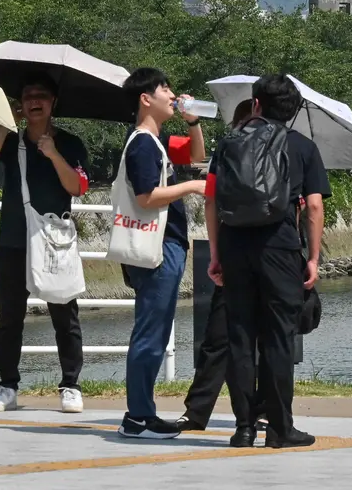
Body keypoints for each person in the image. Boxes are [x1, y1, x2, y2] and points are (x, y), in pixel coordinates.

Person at [206, 75, 331, 449]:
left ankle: (243, 428)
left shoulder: (228, 143)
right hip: (279, 246)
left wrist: (216, 255)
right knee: (278, 338)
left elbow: (211, 201)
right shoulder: (303, 147)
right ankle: (279, 429)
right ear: (293, 112)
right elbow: (313, 206)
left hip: (234, 244)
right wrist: (312, 257)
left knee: (240, 335)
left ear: (255, 104)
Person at [0, 72, 91, 414]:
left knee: (64, 315)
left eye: (41, 96)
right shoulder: (11, 141)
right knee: (9, 316)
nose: (34, 102)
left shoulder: (70, 144)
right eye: (28, 97)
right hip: (14, 239)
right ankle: (7, 386)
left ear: (54, 102)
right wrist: (4, 123)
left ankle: (70, 384)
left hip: (53, 241)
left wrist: (54, 154)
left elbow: (76, 187)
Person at [115, 68, 208, 440]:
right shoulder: (141, 143)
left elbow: (197, 155)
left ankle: (142, 412)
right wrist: (191, 187)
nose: (172, 94)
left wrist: (194, 121)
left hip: (164, 246)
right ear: (145, 99)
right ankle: (138, 416)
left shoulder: (156, 141)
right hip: (157, 248)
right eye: (164, 88)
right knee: (150, 333)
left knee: (153, 331)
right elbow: (146, 197)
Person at [176, 99, 270, 432]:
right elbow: (211, 203)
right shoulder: (226, 156)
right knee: (220, 338)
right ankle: (199, 410)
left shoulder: (280, 155)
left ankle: (256, 410)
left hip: (254, 255)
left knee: (255, 341)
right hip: (245, 256)